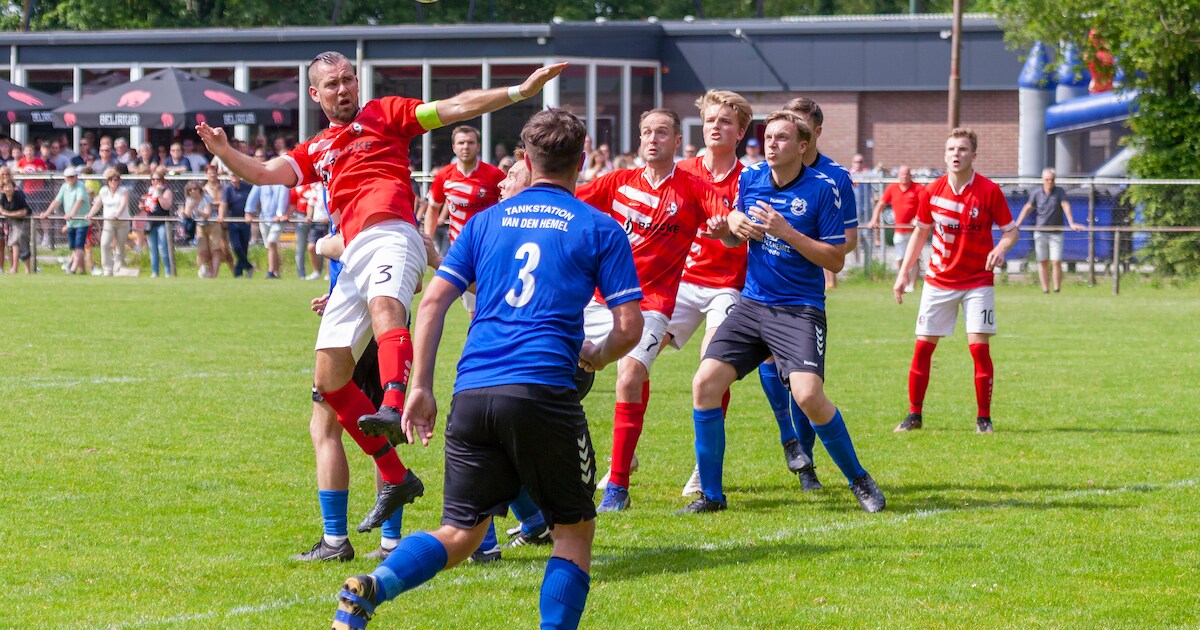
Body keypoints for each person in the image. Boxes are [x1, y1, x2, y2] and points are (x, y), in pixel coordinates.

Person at [198, 50, 566, 534]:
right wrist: (224, 151)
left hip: (392, 230)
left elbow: (455, 106)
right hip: (353, 253)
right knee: (329, 378)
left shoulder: (386, 113)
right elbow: (264, 173)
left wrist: (519, 91)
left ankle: (393, 405)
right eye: (332, 84)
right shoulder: (316, 149)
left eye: (348, 79)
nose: (343, 89)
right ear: (315, 94)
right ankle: (395, 476)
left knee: (387, 311)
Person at [331, 107, 642, 630]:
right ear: (582, 159)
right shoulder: (598, 227)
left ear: (526, 159)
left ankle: (375, 585)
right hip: (543, 390)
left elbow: (432, 302)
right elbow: (629, 326)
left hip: (472, 391)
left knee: (461, 532)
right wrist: (598, 354)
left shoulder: (483, 223)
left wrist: (419, 387)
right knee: (573, 531)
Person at [683, 110, 885, 514]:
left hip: (799, 310)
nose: (771, 144)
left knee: (808, 396)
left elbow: (836, 259)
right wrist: (729, 230)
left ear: (802, 146)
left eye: (781, 138)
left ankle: (859, 479)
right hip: (753, 305)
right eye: (768, 137)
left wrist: (787, 232)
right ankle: (712, 496)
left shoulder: (822, 189)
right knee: (705, 383)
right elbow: (734, 241)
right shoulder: (751, 179)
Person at [576, 108, 727, 512]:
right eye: (646, 132)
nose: (652, 139)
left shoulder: (693, 187)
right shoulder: (616, 181)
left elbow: (727, 223)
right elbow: (568, 201)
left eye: (661, 133)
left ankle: (618, 487)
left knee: (628, 376)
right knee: (553, 371)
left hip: (651, 305)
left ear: (677, 141)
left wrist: (726, 229)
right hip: (599, 299)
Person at [745, 96, 860, 490]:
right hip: (762, 286)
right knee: (767, 361)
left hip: (803, 291)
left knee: (804, 384)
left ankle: (806, 458)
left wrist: (800, 241)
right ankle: (788, 437)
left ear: (813, 134)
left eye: (797, 125)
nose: (785, 132)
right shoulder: (759, 174)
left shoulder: (834, 178)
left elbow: (846, 241)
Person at [893, 128, 1018, 435]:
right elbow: (920, 233)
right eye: (951, 149)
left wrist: (1001, 249)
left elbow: (1011, 231)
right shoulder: (932, 191)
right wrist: (903, 272)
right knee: (922, 349)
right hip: (939, 281)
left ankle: (984, 419)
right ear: (945, 154)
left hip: (978, 281)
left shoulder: (989, 190)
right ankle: (914, 415)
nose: (956, 154)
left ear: (973, 155)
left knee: (979, 349)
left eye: (962, 149)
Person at [658, 90, 750, 496]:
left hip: (726, 288)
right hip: (680, 283)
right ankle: (624, 461)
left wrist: (730, 229)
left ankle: (703, 467)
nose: (716, 126)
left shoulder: (749, 179)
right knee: (633, 361)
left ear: (740, 132)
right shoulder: (682, 171)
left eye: (725, 121)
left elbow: (750, 233)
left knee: (710, 370)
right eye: (711, 120)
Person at [424, 125, 504, 317]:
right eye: (461, 143)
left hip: (490, 247)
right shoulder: (444, 175)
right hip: (461, 249)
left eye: (470, 142)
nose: (465, 147)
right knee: (473, 308)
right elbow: (433, 208)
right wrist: (428, 239)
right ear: (454, 147)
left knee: (495, 298)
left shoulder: (494, 175)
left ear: (478, 146)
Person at [1015, 167, 1081, 293]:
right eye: (1047, 180)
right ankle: (1045, 289)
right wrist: (1017, 224)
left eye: (1052, 180)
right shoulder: (1036, 193)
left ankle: (1057, 289)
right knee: (1042, 261)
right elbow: (1027, 208)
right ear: (1042, 180)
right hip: (1041, 232)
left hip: (1056, 233)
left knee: (1056, 261)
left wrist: (1071, 222)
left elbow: (1065, 206)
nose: (1050, 182)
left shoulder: (1060, 192)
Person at [866, 165, 926, 292]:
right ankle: (904, 281)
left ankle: (912, 285)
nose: (904, 177)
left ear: (910, 176)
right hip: (899, 231)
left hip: (915, 232)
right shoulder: (892, 188)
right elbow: (881, 204)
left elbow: (925, 205)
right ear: (898, 176)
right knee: (900, 258)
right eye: (902, 175)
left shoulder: (918, 188)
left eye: (906, 174)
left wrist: (917, 218)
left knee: (915, 258)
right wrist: (874, 220)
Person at [39, 166, 91, 274]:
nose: (70, 179)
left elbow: (80, 200)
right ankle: (82, 270)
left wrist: (72, 213)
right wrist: (47, 213)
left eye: (72, 177)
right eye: (68, 177)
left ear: (76, 177)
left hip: (82, 222)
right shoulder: (64, 187)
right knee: (74, 247)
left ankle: (72, 269)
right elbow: (57, 201)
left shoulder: (80, 186)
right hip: (71, 223)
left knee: (79, 246)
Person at [84, 167, 131, 276]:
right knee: (105, 244)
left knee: (120, 246)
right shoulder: (104, 191)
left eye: (115, 180)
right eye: (111, 180)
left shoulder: (123, 191)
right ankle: (107, 269)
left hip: (122, 221)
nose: (113, 182)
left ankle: (118, 269)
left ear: (119, 181)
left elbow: (123, 204)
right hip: (108, 222)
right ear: (107, 181)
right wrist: (90, 214)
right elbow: (97, 205)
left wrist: (117, 214)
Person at [245, 174, 290, 280]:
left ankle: (270, 271)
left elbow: (283, 199)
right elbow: (253, 197)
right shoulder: (261, 183)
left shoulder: (282, 184)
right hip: (264, 219)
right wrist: (248, 212)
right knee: (270, 247)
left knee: (271, 242)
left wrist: (279, 215)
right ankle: (276, 272)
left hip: (278, 220)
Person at [219, 171, 255, 278]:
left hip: (245, 221)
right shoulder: (227, 189)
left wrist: (252, 213)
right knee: (236, 246)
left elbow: (254, 201)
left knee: (244, 247)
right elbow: (223, 203)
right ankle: (248, 266)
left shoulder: (247, 187)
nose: (234, 177)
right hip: (233, 221)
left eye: (236, 174)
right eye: (232, 175)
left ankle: (238, 273)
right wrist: (221, 215)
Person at [142, 166, 175, 278]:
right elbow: (149, 208)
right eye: (153, 179)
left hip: (163, 222)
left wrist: (159, 194)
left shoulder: (166, 191)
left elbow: (166, 206)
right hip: (151, 222)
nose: (155, 181)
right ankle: (155, 272)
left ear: (162, 180)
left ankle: (168, 272)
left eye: (158, 179)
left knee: (163, 248)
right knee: (153, 249)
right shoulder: (149, 192)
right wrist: (143, 206)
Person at [1, 177, 34, 273]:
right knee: (13, 243)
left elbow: (24, 212)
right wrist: (7, 213)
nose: (7, 189)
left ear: (13, 187)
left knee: (22, 244)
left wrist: (8, 214)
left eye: (9, 186)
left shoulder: (18, 196)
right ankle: (15, 268)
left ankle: (27, 269)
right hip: (13, 222)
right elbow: (1, 209)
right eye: (5, 187)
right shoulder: (3, 197)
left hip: (23, 221)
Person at [185, 181, 217, 278]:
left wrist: (195, 209)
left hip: (212, 225)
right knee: (201, 251)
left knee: (214, 250)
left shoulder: (206, 198)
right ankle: (203, 269)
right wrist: (188, 209)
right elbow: (187, 214)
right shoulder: (189, 200)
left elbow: (207, 214)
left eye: (195, 189)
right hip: (200, 225)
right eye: (190, 190)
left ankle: (213, 274)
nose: (193, 191)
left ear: (199, 190)